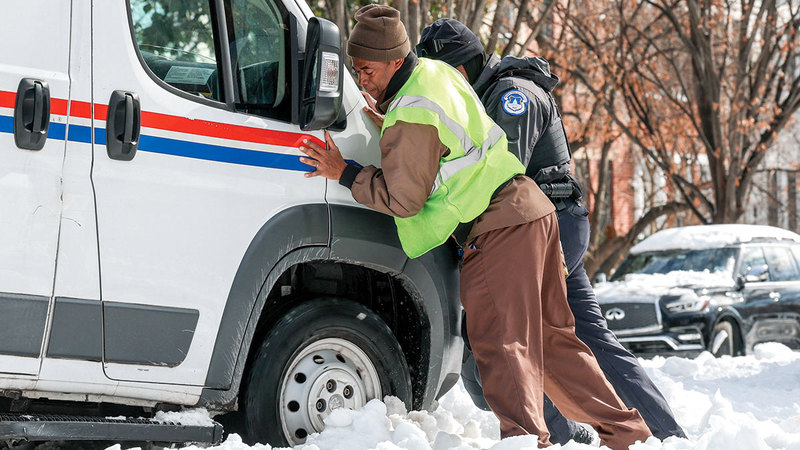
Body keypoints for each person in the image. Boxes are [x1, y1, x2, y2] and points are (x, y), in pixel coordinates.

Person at [298, 5, 652, 448]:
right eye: (356, 70)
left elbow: (404, 200)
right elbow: (443, 135)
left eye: (367, 69)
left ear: (393, 60)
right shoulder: (434, 75)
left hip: (497, 228)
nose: (362, 79)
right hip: (533, 213)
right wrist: (389, 122)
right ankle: (630, 435)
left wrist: (344, 172)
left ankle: (525, 441)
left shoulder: (411, 111)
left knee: (501, 347)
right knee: (555, 345)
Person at [415, 18, 687, 445]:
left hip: (541, 225)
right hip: (544, 225)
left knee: (515, 340)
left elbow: (495, 176)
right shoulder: (491, 93)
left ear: (459, 73)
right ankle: (653, 436)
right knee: (574, 338)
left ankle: (577, 436)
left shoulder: (512, 97)